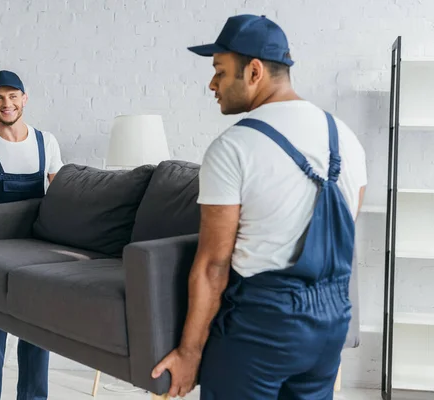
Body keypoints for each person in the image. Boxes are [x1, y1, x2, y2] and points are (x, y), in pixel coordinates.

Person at [151, 15, 367, 399]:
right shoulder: (346, 138)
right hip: (331, 322)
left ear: (253, 71)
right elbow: (346, 231)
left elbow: (213, 267)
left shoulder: (234, 147)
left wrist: (189, 353)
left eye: (219, 71)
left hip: (261, 328)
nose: (212, 84)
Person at [0, 70, 64, 400]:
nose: (7, 103)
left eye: (13, 96)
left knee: (36, 334)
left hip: (38, 254)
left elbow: (61, 198)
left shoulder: (46, 142)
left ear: (24, 98)